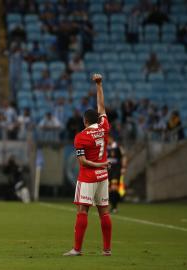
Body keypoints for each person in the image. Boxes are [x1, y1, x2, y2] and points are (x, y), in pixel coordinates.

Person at [64, 73, 112, 257]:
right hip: (103, 177)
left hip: (88, 177)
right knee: (104, 213)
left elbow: (82, 162)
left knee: (82, 210)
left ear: (85, 121)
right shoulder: (104, 126)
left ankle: (77, 249)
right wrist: (99, 85)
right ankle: (106, 249)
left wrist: (98, 165)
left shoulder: (81, 137)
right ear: (97, 119)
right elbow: (102, 106)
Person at [107, 135, 127, 213]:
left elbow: (124, 156)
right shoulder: (105, 147)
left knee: (114, 187)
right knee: (109, 189)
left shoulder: (118, 146)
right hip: (108, 170)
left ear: (111, 138)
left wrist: (123, 167)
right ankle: (111, 207)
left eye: (107, 139)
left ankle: (115, 207)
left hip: (116, 170)